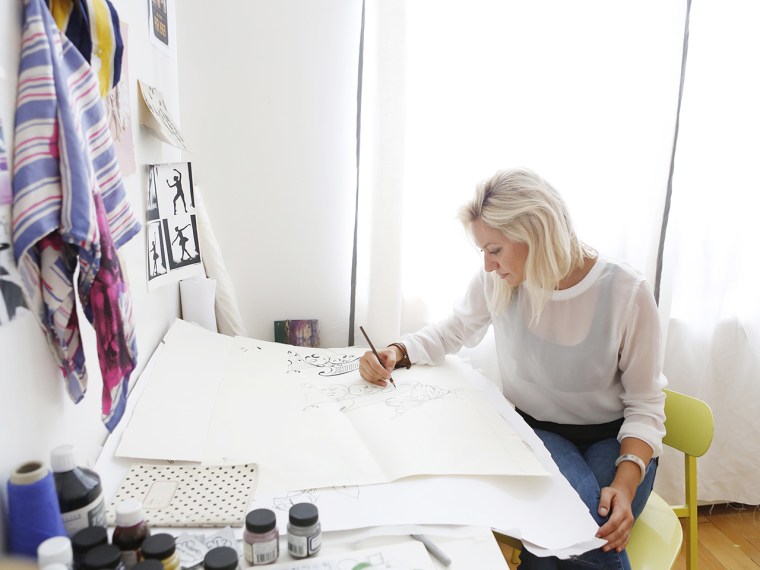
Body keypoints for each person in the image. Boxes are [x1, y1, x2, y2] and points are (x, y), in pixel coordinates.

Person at [359, 168, 666, 569]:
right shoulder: (500, 281)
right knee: (576, 528)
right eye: (483, 253)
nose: (488, 266)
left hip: (616, 438)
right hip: (536, 433)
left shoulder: (626, 291)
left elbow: (645, 406)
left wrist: (625, 485)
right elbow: (453, 330)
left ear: (535, 233)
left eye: (495, 250)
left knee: (578, 530)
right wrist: (396, 351)